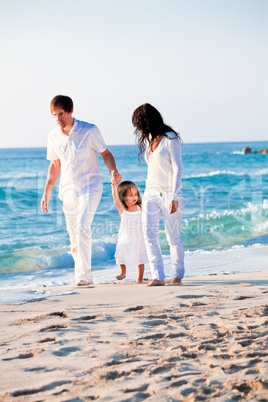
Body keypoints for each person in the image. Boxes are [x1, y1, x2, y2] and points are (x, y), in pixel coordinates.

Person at [41, 95, 121, 286]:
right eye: (54, 115)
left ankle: (83, 276)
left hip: (90, 187)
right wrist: (47, 192)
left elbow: (106, 153)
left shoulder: (89, 130)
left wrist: (114, 171)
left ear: (70, 111)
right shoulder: (53, 136)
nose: (58, 119)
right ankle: (82, 274)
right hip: (68, 190)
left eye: (61, 114)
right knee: (74, 237)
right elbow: (54, 164)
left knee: (82, 226)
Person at [132, 103, 185, 286]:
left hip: (170, 193)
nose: (139, 129)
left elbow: (178, 169)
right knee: (149, 234)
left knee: (173, 237)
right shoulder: (149, 141)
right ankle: (158, 276)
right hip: (151, 194)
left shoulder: (170, 139)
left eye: (140, 124)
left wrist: (175, 197)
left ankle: (177, 275)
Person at [111, 180, 148, 283]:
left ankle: (139, 279)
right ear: (123, 196)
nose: (134, 197)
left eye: (136, 194)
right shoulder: (123, 209)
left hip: (139, 237)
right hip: (125, 238)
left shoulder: (140, 207)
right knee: (121, 253)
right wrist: (114, 186)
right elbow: (115, 200)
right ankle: (123, 272)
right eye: (131, 195)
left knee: (140, 258)